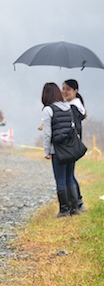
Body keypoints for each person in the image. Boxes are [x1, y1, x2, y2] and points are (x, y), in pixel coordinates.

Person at [42, 82, 79, 217]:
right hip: (70, 148)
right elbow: (72, 126)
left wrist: (46, 151)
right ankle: (74, 208)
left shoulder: (48, 110)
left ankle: (64, 210)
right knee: (69, 177)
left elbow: (47, 133)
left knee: (60, 179)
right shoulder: (68, 106)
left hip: (57, 150)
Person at [62, 79, 86, 211]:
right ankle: (77, 202)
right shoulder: (74, 105)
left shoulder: (73, 107)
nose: (64, 91)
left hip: (70, 145)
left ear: (75, 91)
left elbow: (74, 128)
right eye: (63, 88)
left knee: (68, 174)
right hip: (73, 144)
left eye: (68, 89)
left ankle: (77, 203)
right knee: (69, 174)